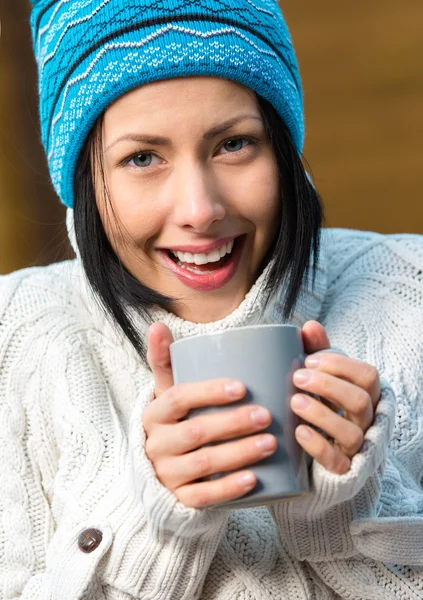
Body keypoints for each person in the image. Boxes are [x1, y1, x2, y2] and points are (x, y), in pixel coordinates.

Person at [1, 0, 422, 598]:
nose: (201, 210)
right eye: (142, 158)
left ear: (281, 148)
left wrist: (345, 511)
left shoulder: (412, 289)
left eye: (233, 145)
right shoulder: (12, 336)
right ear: (84, 182)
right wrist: (156, 526)